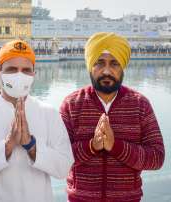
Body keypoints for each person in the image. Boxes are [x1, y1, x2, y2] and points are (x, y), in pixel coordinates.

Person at [0, 40, 74, 202]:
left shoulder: (49, 114)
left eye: (26, 70)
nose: (20, 75)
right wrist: (7, 145)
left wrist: (31, 146)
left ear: (34, 74)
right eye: (12, 70)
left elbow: (63, 168)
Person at [60, 32, 165, 202]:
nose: (107, 71)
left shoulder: (140, 105)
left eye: (114, 63)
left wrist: (115, 146)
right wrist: (92, 146)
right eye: (100, 63)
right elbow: (59, 157)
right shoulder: (72, 104)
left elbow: (157, 157)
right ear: (90, 66)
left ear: (122, 67)